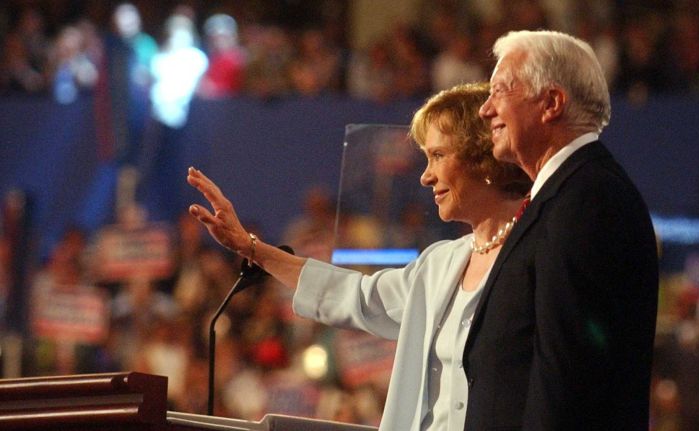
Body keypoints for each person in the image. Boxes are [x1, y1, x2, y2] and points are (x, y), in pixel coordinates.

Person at [187, 82, 532, 430]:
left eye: (438, 156)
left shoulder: (539, 254)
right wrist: (252, 249)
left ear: (483, 155)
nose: (426, 176)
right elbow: (357, 297)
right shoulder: (440, 264)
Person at [473, 30, 659, 430]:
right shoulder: (567, 195)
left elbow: (568, 373)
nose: (484, 110)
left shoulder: (588, 201)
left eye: (500, 91)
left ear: (551, 103)